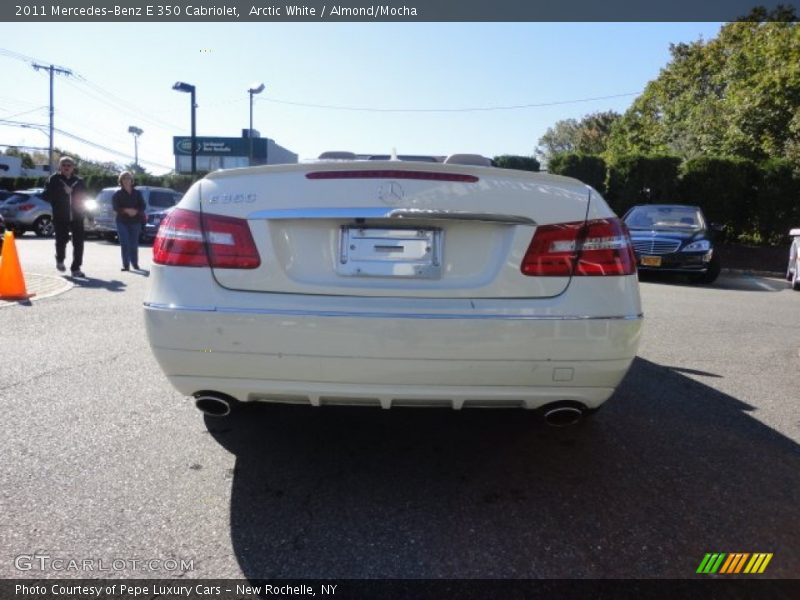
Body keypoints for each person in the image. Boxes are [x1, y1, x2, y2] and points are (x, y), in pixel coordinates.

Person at [42, 156, 88, 277]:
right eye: (64, 165)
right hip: (60, 216)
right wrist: (63, 191)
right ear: (60, 167)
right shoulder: (54, 179)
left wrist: (73, 193)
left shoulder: (79, 181)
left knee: (79, 243)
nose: (66, 167)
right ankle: (60, 260)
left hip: (77, 216)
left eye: (69, 165)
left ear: (73, 167)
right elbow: (46, 196)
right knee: (61, 240)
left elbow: (84, 197)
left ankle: (76, 268)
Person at [112, 171, 146, 271]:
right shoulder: (117, 194)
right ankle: (126, 265)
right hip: (122, 221)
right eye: (124, 178)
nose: (126, 180)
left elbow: (143, 205)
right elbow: (115, 207)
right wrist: (126, 210)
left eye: (128, 178)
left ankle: (135, 263)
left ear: (132, 180)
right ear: (121, 181)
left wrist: (136, 211)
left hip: (135, 221)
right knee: (125, 243)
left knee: (134, 244)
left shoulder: (137, 193)